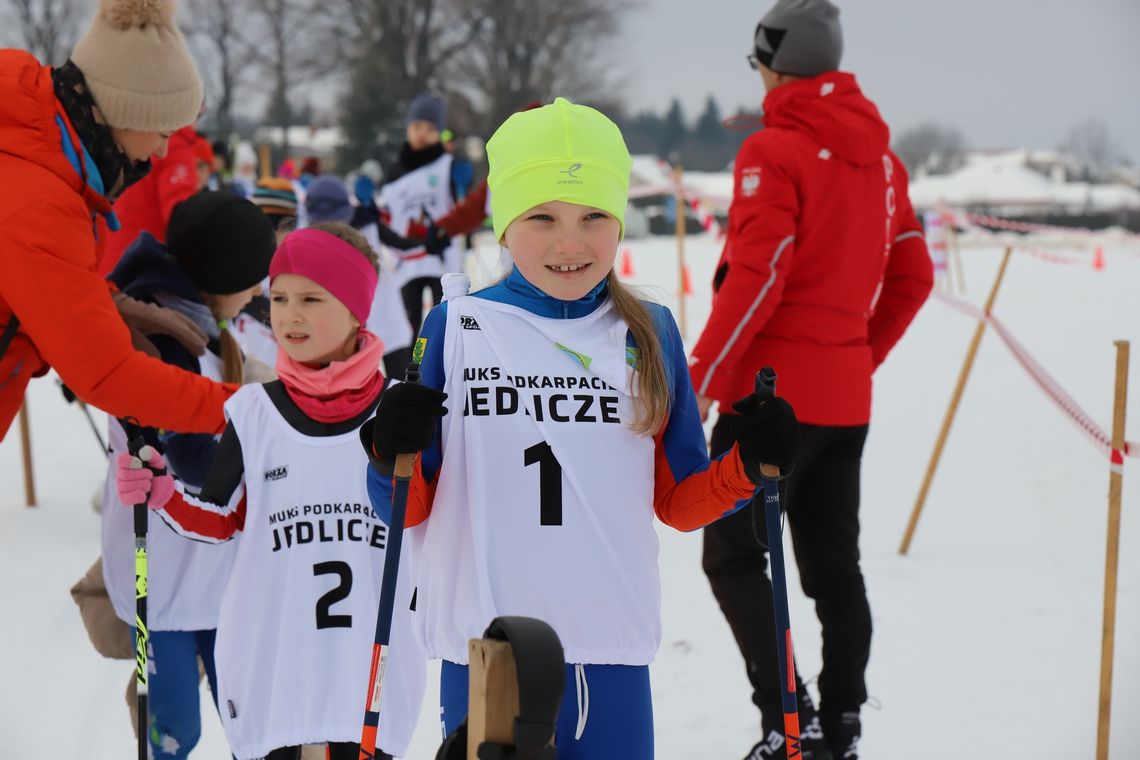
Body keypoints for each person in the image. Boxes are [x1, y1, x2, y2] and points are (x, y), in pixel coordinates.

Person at [364, 97, 799, 760]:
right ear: (504, 227)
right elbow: (407, 506)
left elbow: (680, 502)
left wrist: (747, 463)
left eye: (595, 217)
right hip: (486, 648)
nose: (572, 243)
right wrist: (387, 448)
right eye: (542, 218)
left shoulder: (648, 333)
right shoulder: (455, 328)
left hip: (610, 649)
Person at [687, 2, 934, 758]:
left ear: (771, 60)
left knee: (731, 553)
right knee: (834, 568)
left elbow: (759, 276)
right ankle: (843, 723)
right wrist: (857, 355)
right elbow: (914, 275)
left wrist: (699, 375)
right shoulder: (884, 162)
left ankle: (788, 720)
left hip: (770, 401)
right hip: (843, 401)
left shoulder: (775, 148)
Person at [116, 223, 423, 760]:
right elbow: (218, 518)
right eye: (279, 298)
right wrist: (164, 494)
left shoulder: (398, 411)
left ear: (357, 312)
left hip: (370, 664)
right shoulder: (252, 412)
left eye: (311, 298)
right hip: (278, 659)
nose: (289, 315)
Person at [0, 0, 234, 441]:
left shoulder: (43, 159)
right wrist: (243, 412)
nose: (164, 152)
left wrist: (106, 302)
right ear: (123, 111)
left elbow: (38, 274)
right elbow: (108, 375)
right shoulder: (40, 202)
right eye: (164, 133)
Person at [103, 191, 276, 760]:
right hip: (167, 580)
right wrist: (277, 450)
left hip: (219, 577)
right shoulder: (160, 341)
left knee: (249, 716)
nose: (258, 292)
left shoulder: (202, 328)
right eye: (251, 278)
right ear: (219, 273)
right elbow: (193, 460)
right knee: (176, 726)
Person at [377, 93, 465, 330]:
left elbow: (463, 208)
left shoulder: (448, 165)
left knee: (445, 326)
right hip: (406, 263)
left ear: (439, 132)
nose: (422, 133)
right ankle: (410, 368)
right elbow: (384, 216)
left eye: (430, 127)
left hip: (442, 262)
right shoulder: (394, 173)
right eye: (417, 126)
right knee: (408, 327)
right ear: (408, 128)